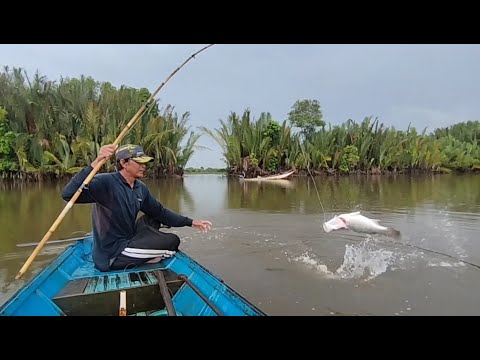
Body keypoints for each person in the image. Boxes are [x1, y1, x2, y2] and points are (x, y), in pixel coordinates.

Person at [61, 143, 212, 272]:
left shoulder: (140, 188)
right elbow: (68, 194)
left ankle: (143, 251)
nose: (144, 166)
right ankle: (147, 257)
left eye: (144, 162)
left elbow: (160, 212)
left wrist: (191, 222)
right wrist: (97, 161)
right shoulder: (106, 183)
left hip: (128, 238)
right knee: (172, 241)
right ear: (124, 163)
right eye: (139, 162)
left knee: (153, 217)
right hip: (112, 254)